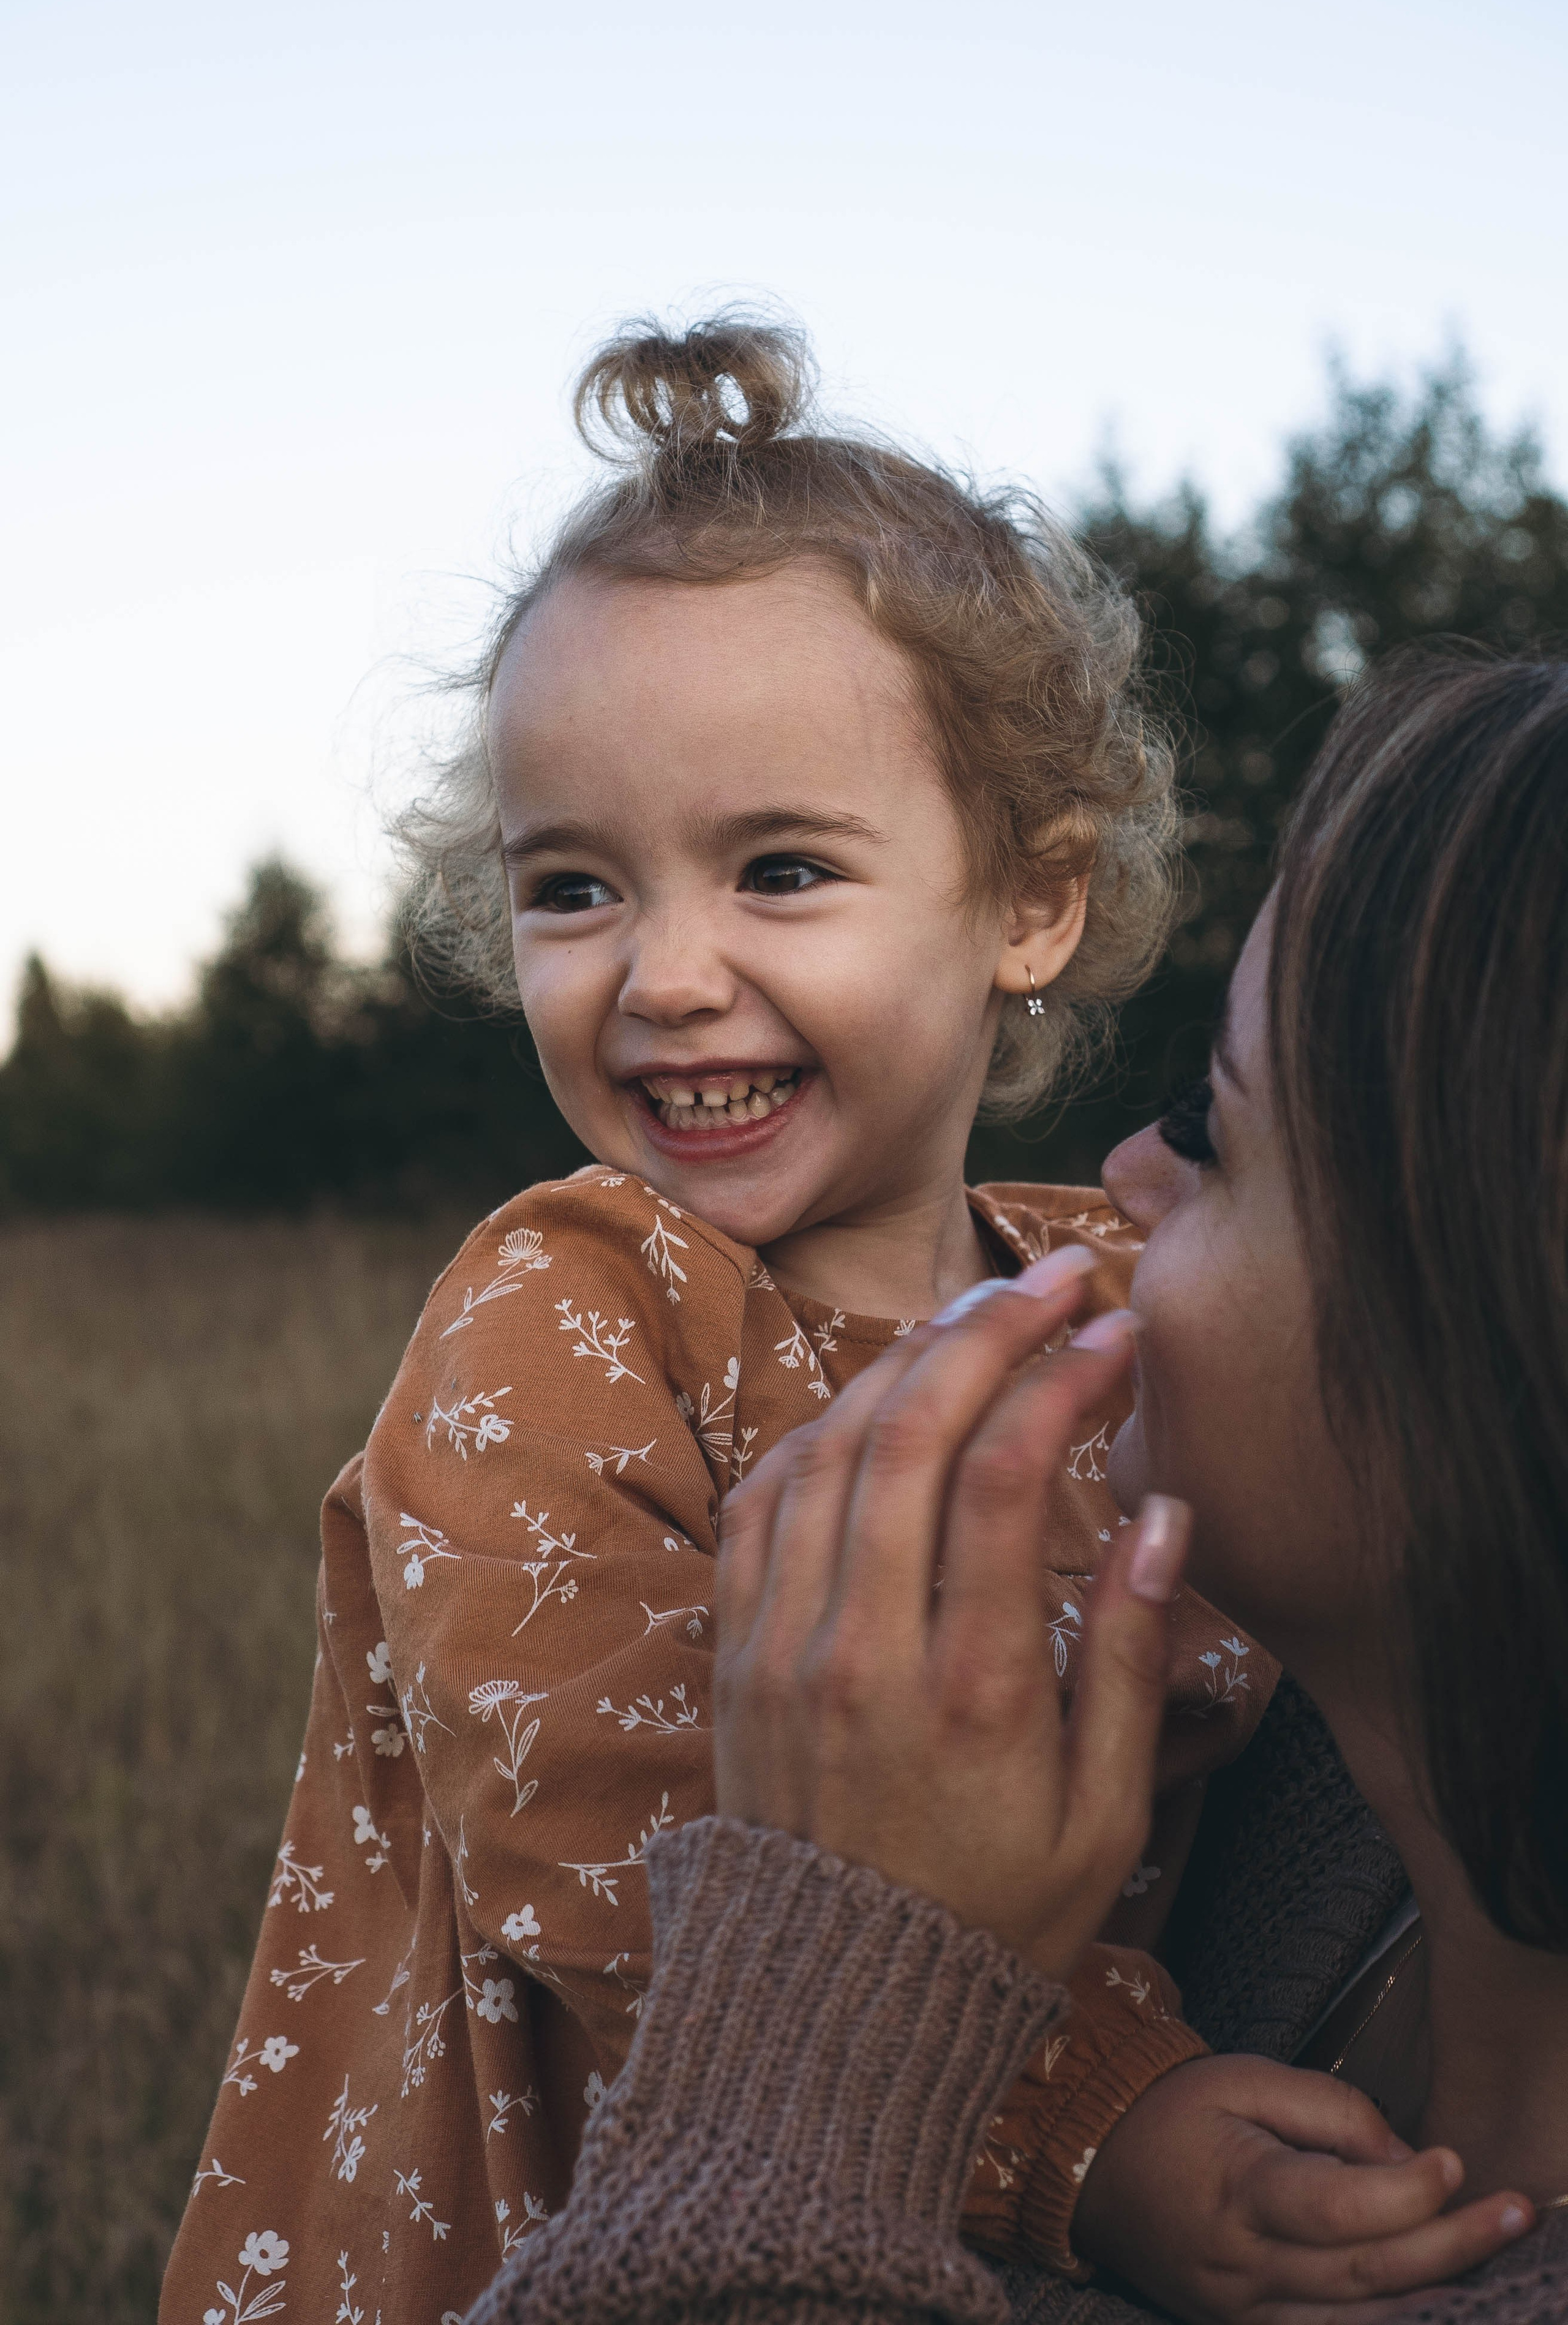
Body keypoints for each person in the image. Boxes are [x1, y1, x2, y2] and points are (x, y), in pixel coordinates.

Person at [161, 326, 1501, 2325]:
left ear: (1028, 905)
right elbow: (606, 1825)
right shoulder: (572, 1305)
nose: (667, 973)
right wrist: (1099, 2124)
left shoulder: (1120, 1292)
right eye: (575, 888)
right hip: (572, 2226)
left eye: (780, 870)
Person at [460, 650, 1568, 2325]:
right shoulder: (1331, 1800)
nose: (1126, 1174)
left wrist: (829, 2027)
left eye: (1214, 1129)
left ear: (1484, 1355)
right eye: (569, 886)